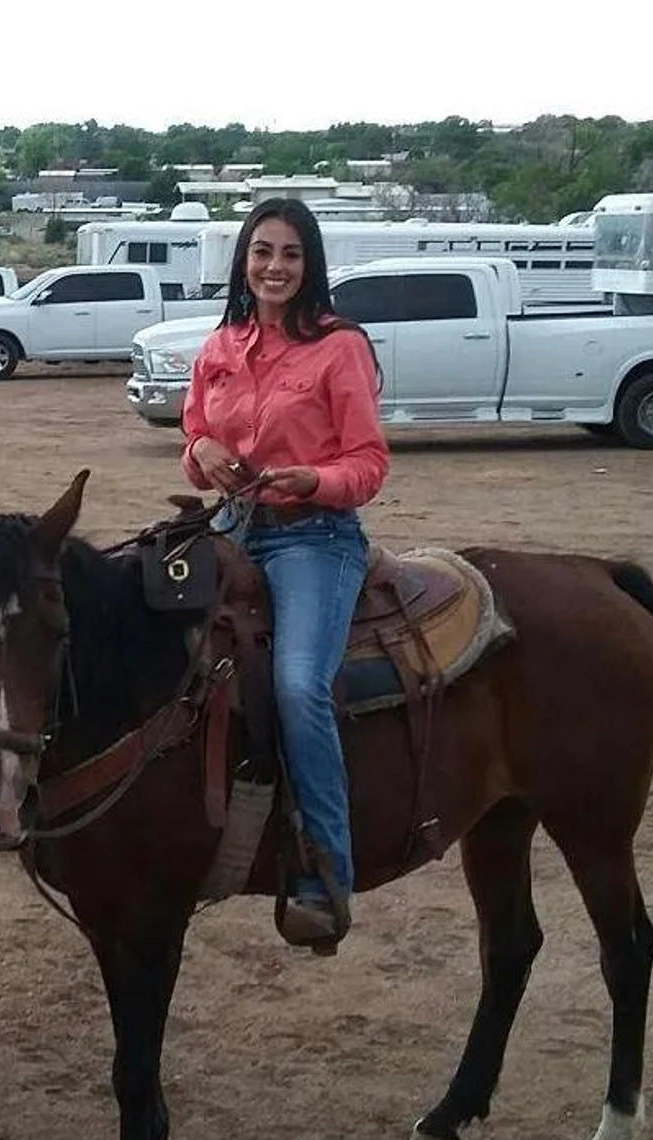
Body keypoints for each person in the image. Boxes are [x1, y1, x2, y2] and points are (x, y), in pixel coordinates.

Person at [179, 196, 389, 951]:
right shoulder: (221, 344)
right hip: (233, 524)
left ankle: (324, 867)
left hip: (314, 536)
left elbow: (369, 463)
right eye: (262, 251)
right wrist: (200, 454)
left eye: (290, 254)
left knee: (299, 683)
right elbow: (198, 428)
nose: (274, 266)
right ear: (243, 259)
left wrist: (314, 481)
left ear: (311, 264)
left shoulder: (340, 348)